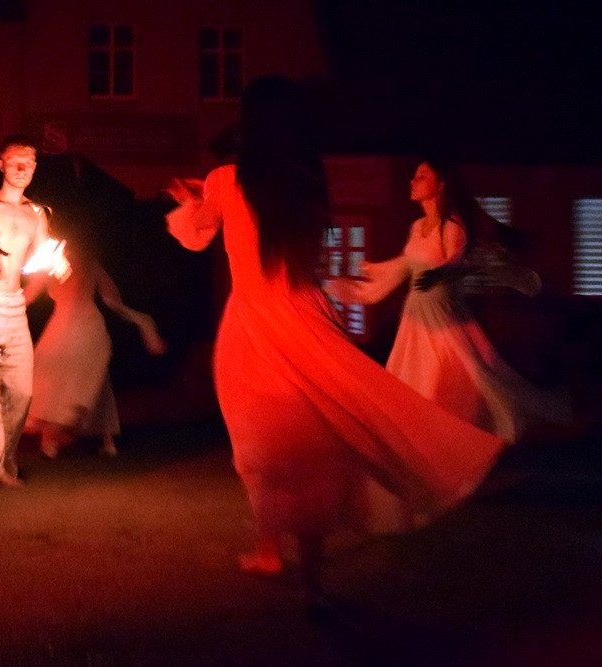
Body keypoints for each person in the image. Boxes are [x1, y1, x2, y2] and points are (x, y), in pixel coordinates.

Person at [164, 77, 504, 601]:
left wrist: (191, 200)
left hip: (253, 323)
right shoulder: (305, 185)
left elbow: (197, 235)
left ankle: (271, 548)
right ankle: (308, 575)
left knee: (262, 438)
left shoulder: (226, 179)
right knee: (312, 435)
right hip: (305, 314)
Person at [324, 159, 569, 443]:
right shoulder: (417, 227)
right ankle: (424, 442)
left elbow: (457, 261)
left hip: (443, 318)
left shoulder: (453, 225)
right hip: (416, 316)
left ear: (440, 185)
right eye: (414, 175)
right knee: (414, 378)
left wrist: (441, 273)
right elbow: (408, 262)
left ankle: (455, 440)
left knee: (466, 378)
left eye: (421, 176)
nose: (412, 181)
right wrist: (373, 270)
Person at [0, 134, 70, 501]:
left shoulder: (36, 214)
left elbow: (43, 256)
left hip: (13, 306)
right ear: (0, 163)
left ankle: (5, 464)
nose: (23, 168)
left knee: (21, 394)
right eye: (16, 160)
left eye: (30, 162)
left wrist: (58, 263)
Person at [25, 235, 167, 459]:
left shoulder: (87, 265)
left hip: (85, 327)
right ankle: (104, 440)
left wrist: (143, 322)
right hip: (66, 324)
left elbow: (112, 302)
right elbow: (28, 295)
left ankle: (52, 439)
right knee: (92, 380)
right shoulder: (50, 266)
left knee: (65, 377)